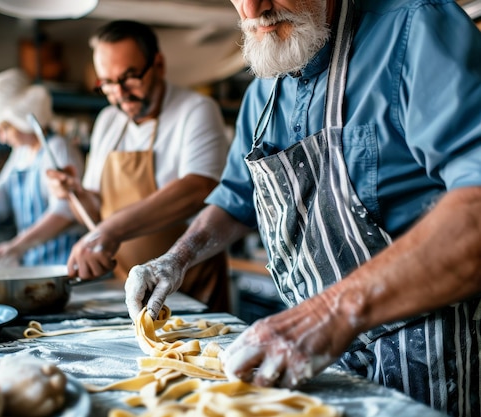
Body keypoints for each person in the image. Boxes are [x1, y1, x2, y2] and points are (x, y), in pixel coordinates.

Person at [124, 0, 481, 416]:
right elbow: (236, 202)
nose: (253, 7)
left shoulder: (414, 28)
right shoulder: (264, 86)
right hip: (314, 365)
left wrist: (330, 313)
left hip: (429, 361)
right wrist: (177, 258)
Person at [46, 20, 230, 312]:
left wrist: (111, 231)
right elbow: (96, 209)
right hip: (127, 291)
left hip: (191, 292)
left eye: (130, 77)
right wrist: (74, 193)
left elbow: (198, 188)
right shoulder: (108, 121)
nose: (119, 93)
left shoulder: (195, 110)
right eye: (107, 83)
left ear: (158, 65)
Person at [0, 68, 85, 267]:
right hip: (36, 265)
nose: (3, 138)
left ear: (22, 117)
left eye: (5, 128)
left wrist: (17, 245)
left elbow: (65, 212)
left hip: (65, 266)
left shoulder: (57, 149)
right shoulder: (21, 152)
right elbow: (0, 188)